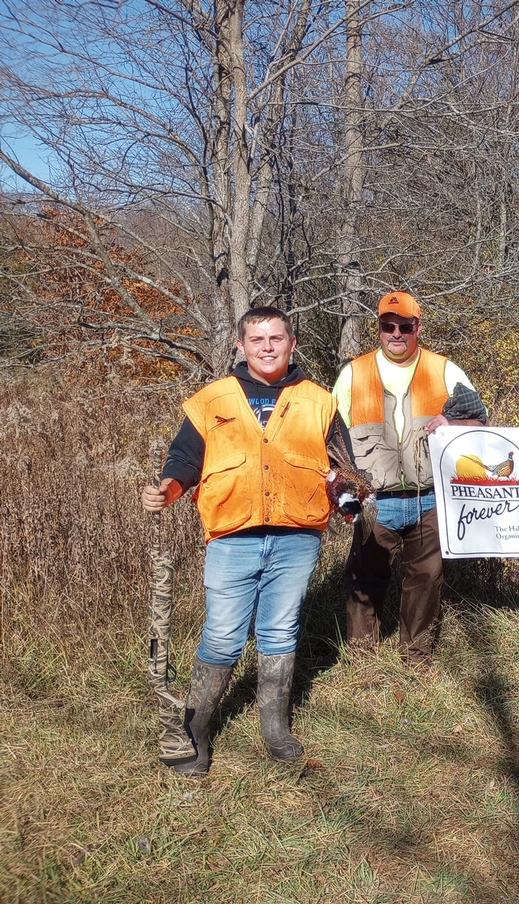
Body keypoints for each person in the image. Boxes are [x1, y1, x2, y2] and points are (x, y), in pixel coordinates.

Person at [141, 306, 353, 775]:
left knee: (280, 630)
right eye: (257, 340)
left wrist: (349, 495)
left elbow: (342, 466)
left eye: (276, 338)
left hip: (297, 537)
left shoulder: (319, 401)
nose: (267, 347)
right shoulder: (212, 399)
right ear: (240, 346)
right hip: (232, 536)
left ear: (292, 342)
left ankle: (274, 728)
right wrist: (168, 490)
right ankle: (193, 730)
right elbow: (184, 459)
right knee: (222, 634)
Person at [332, 290, 488, 663]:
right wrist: (343, 487)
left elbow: (481, 418)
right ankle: (360, 658)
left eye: (405, 325)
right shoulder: (354, 372)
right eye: (388, 325)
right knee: (364, 579)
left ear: (418, 327)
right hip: (373, 499)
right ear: (379, 328)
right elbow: (332, 433)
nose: (396, 333)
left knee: (425, 580)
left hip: (430, 496)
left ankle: (415, 657)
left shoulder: (445, 369)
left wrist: (451, 421)